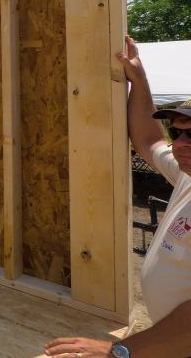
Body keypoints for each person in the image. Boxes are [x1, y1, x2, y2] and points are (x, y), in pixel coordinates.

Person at [43, 35, 191, 358]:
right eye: (177, 132)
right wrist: (139, 79)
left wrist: (119, 352)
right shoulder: (186, 176)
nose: (179, 144)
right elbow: (148, 140)